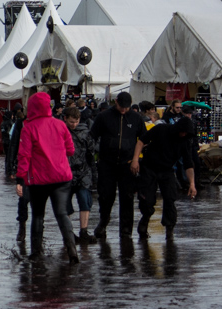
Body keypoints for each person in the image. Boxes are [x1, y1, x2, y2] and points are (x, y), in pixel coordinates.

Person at [15, 92, 79, 263]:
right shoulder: (60, 125)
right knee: (62, 213)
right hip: (62, 176)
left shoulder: (28, 127)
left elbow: (24, 156)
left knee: (37, 215)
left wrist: (20, 178)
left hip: (39, 179)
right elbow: (70, 150)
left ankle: (36, 253)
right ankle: (72, 250)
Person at [90, 91, 147, 239]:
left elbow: (143, 139)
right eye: (121, 106)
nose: (124, 110)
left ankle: (126, 230)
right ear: (116, 102)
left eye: (126, 107)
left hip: (127, 163)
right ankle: (103, 222)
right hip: (107, 162)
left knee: (127, 197)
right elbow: (93, 136)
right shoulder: (104, 117)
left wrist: (136, 159)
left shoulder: (136, 118)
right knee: (105, 196)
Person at [135, 115, 198, 240]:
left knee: (170, 198)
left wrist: (192, 183)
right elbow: (142, 141)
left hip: (167, 170)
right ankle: (145, 219)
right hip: (149, 167)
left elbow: (188, 163)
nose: (184, 134)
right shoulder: (161, 129)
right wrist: (135, 160)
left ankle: (170, 229)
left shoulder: (185, 141)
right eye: (182, 132)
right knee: (147, 199)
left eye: (186, 133)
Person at [63, 105, 97, 244]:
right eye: (71, 122)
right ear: (65, 119)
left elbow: (91, 154)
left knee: (85, 201)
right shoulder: (61, 131)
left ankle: (84, 231)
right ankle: (68, 233)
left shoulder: (85, 133)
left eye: (76, 121)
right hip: (66, 173)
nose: (74, 124)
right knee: (65, 205)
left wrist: (94, 174)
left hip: (83, 172)